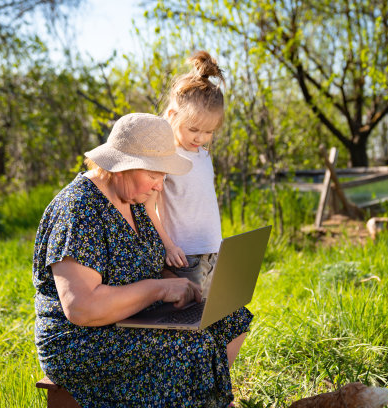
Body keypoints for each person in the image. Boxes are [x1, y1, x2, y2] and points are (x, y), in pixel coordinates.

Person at [32, 112, 253, 407]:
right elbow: (82, 308)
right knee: (189, 348)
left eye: (163, 176)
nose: (160, 186)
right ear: (122, 167)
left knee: (231, 317)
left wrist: (190, 286)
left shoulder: (132, 201)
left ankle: (204, 400)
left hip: (130, 318)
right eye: (153, 175)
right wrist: (159, 290)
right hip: (80, 340)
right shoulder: (78, 209)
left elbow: (143, 264)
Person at [145, 50, 226, 297]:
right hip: (184, 256)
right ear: (172, 116)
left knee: (215, 313)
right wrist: (168, 246)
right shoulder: (166, 157)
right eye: (193, 129)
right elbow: (150, 207)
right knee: (190, 317)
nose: (200, 138)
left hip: (213, 250)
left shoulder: (203, 156)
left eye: (209, 132)